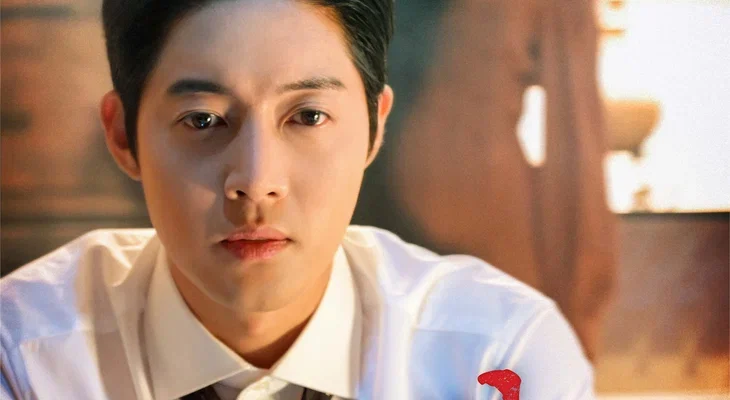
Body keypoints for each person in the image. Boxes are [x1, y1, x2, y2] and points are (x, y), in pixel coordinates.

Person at [0, 1, 595, 399]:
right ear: (122, 136)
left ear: (374, 127)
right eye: (202, 119)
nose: (257, 181)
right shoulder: (24, 356)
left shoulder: (495, 358)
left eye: (308, 116)